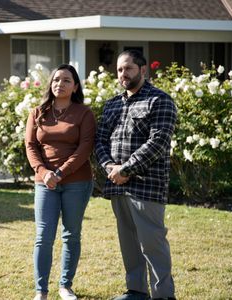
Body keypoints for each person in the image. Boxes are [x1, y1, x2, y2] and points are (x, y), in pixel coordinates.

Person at [94, 49, 177, 300]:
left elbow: (158, 141)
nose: (123, 74)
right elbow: (100, 140)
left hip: (146, 185)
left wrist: (126, 169)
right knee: (129, 244)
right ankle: (136, 291)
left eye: (128, 68)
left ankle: (163, 295)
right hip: (117, 185)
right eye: (119, 69)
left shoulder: (159, 100)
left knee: (152, 244)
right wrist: (110, 167)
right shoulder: (112, 104)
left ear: (143, 70)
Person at [25, 64, 96, 300]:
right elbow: (31, 146)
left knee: (71, 234)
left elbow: (85, 147)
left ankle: (65, 286)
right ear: (50, 84)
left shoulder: (84, 113)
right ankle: (41, 290)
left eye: (66, 80)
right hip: (45, 183)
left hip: (77, 181)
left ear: (75, 86)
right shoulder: (37, 113)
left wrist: (60, 173)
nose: (60, 84)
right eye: (56, 79)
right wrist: (44, 172)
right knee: (43, 235)